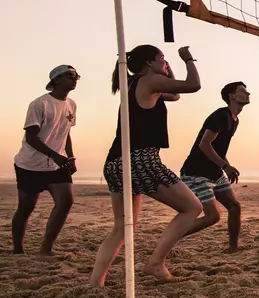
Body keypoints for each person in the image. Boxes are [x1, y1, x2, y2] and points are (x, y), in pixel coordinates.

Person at [91, 45, 204, 285]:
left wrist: (167, 68)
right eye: (162, 59)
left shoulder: (137, 83)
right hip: (141, 159)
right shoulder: (150, 81)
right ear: (149, 63)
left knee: (121, 228)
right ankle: (155, 263)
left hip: (116, 161)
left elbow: (175, 95)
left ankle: (95, 282)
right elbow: (193, 85)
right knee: (192, 207)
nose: (165, 62)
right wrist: (188, 59)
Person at [12, 65, 79, 256]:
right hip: (30, 164)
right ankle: (17, 250)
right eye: (70, 76)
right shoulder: (39, 104)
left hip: (56, 165)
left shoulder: (71, 104)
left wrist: (70, 156)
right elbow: (31, 138)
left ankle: (46, 249)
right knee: (26, 207)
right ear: (56, 80)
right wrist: (55, 155)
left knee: (66, 200)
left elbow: (66, 133)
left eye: (76, 76)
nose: (74, 79)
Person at [180, 81, 249, 250]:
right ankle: (172, 235)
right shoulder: (220, 116)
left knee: (234, 206)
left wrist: (227, 166)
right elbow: (205, 145)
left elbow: (219, 148)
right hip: (196, 173)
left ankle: (233, 247)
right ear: (231, 96)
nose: (248, 93)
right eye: (242, 91)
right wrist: (225, 167)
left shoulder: (235, 120)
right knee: (212, 216)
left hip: (215, 172)